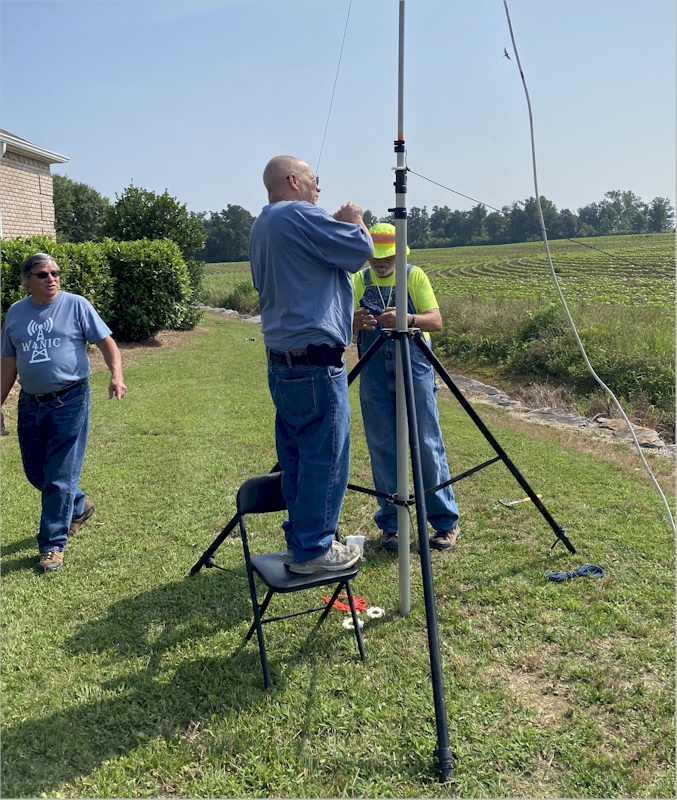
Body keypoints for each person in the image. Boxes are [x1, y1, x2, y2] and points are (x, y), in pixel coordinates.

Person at [249, 155, 373, 575]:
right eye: (314, 180)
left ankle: (301, 540)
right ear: (293, 180)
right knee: (326, 456)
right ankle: (314, 549)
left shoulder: (262, 225)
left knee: (298, 455)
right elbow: (358, 251)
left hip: (282, 363)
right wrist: (354, 218)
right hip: (316, 364)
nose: (319, 188)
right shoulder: (300, 214)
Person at [1, 253, 127, 573]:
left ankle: (52, 545)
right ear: (27, 280)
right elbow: (9, 365)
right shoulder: (16, 314)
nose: (52, 279)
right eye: (43, 275)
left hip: (70, 398)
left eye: (55, 273)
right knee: (35, 471)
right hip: (30, 402)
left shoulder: (76, 305)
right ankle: (78, 504)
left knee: (58, 475)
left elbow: (107, 342)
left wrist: (116, 375)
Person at [352, 223, 460, 552]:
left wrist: (407, 319)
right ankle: (391, 526)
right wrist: (353, 321)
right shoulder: (359, 280)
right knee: (383, 445)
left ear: (400, 254)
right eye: (376, 257)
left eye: (388, 257)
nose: (382, 263)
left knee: (426, 444)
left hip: (414, 367)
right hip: (372, 370)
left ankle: (444, 523)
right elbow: (342, 321)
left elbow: (436, 321)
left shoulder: (414, 276)